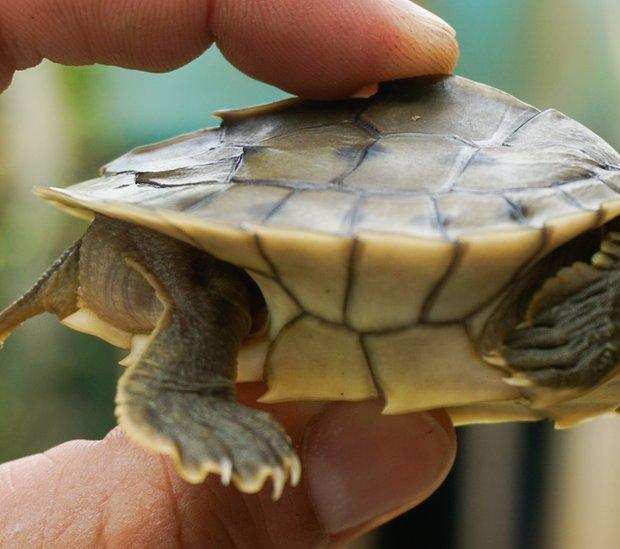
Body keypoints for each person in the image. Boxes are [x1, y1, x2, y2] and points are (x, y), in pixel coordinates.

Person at [0, 0, 459, 545]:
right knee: (215, 294)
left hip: (178, 238)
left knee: (217, 291)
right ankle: (182, 393)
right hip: (168, 244)